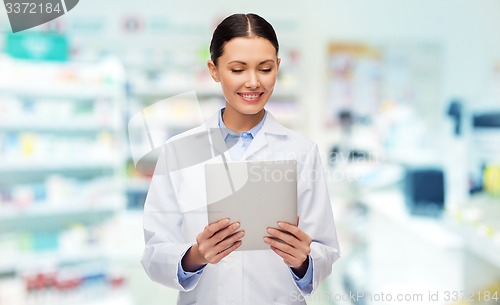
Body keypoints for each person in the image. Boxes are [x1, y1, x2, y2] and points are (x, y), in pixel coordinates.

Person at [141, 13, 340, 305]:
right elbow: (154, 253)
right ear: (214, 70)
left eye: (265, 68)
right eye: (237, 69)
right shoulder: (178, 151)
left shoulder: (302, 151)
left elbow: (325, 250)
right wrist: (195, 256)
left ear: (278, 68)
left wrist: (303, 260)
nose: (253, 82)